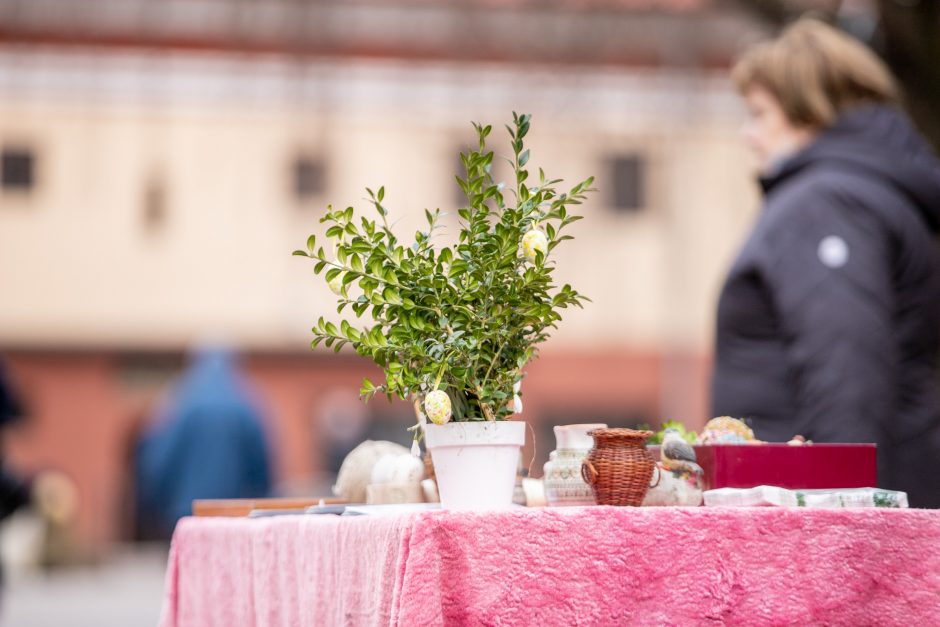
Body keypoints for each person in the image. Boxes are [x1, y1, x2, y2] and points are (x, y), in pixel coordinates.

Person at [711, 19, 940, 508]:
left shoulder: (827, 203)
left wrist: (842, 540)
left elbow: (847, 373)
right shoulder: (859, 194)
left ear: (808, 110)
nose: (747, 134)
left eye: (759, 113)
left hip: (810, 530)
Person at [135, 346, 272, 538]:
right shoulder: (247, 401)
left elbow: (157, 464)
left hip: (185, 515)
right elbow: (263, 468)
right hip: (235, 517)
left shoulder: (178, 399)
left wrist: (156, 509)